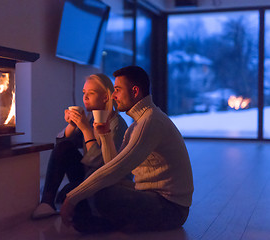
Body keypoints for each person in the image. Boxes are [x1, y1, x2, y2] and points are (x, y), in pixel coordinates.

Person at [60, 66, 194, 233]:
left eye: (117, 90)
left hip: (171, 208)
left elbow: (117, 170)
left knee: (101, 195)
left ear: (135, 91)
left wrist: (72, 198)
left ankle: (111, 225)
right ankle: (115, 224)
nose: (113, 96)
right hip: (148, 193)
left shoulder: (150, 122)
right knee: (94, 187)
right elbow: (113, 165)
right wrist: (105, 134)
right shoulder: (139, 123)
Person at [32, 73, 128, 219]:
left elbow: (101, 166)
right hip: (88, 175)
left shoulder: (117, 125)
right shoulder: (90, 120)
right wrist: (71, 125)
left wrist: (86, 130)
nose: (85, 97)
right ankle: (47, 203)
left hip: (107, 183)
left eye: (91, 93)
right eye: (84, 93)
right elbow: (60, 149)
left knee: (66, 193)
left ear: (105, 97)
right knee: (65, 147)